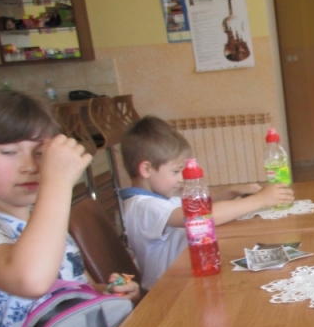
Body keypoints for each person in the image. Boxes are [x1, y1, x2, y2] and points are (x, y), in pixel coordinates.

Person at [0, 90, 139, 327]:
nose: (30, 165)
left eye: (40, 152)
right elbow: (30, 280)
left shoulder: (42, 217)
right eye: (9, 152)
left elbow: (71, 287)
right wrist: (57, 183)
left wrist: (107, 291)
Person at [121, 116, 294, 290]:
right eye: (176, 171)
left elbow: (198, 202)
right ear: (146, 169)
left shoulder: (155, 198)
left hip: (184, 279)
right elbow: (200, 217)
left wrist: (233, 190)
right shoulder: (145, 206)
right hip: (169, 290)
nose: (182, 178)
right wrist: (259, 200)